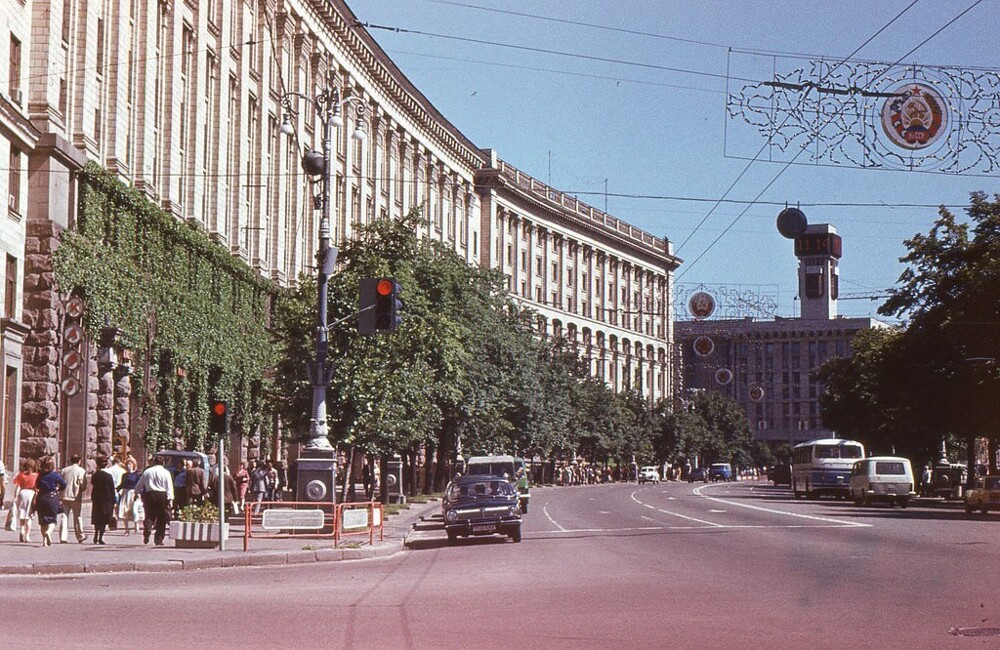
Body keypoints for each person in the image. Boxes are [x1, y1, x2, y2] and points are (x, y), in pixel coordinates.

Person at [135, 456, 174, 546]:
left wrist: (136, 492)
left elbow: (140, 484)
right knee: (161, 518)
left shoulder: (147, 472)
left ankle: (148, 528)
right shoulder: (166, 472)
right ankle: (158, 539)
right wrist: (170, 498)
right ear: (163, 463)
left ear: (154, 462)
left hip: (150, 495)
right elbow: (169, 486)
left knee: (149, 514)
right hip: (162, 495)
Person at [34, 457, 67, 547]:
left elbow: (37, 485)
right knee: (52, 519)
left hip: (41, 497)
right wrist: (58, 488)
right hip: (52, 497)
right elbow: (64, 484)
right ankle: (48, 532)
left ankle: (44, 540)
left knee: (42, 520)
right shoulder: (55, 475)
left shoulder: (40, 475)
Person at [58, 454, 88, 544]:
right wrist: (82, 489)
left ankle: (63, 537)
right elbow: (83, 484)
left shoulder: (64, 470)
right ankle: (80, 536)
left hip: (64, 495)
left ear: (70, 460)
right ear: (79, 461)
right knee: (77, 516)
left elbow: (60, 483)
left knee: (64, 516)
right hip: (75, 496)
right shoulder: (81, 471)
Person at [90, 457, 117, 545]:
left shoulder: (95, 475)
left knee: (97, 517)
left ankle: (95, 534)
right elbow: (111, 489)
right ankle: (100, 537)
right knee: (104, 519)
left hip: (97, 498)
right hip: (107, 499)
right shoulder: (108, 476)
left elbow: (93, 484)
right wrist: (114, 500)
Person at [12, 458, 38, 543]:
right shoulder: (36, 476)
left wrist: (15, 497)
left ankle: (21, 531)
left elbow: (18, 486)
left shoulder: (21, 475)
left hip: (22, 493)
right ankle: (27, 536)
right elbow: (37, 487)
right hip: (31, 493)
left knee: (22, 514)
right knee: (29, 516)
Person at [117, 459, 144, 535]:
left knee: (134, 510)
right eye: (127, 464)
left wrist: (139, 493)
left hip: (134, 493)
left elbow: (139, 485)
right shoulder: (124, 475)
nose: (128, 466)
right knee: (124, 510)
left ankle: (136, 525)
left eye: (130, 464)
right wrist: (116, 489)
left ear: (133, 465)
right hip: (125, 493)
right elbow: (122, 484)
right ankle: (127, 529)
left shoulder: (137, 475)